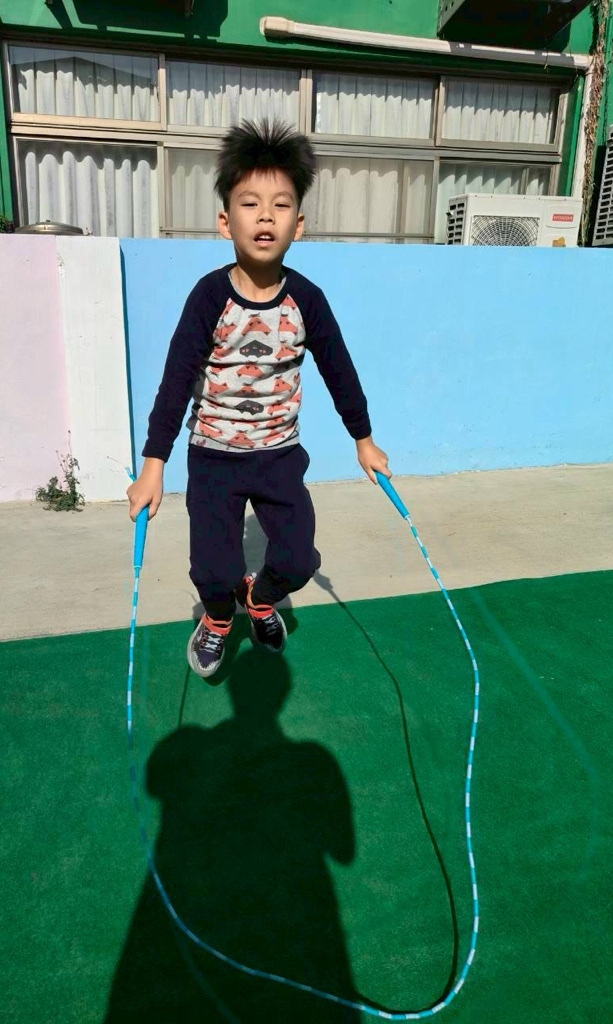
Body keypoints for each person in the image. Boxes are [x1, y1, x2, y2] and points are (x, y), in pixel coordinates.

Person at [127, 119, 391, 678]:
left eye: (280, 205)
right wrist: (153, 465)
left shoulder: (307, 301)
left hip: (278, 456)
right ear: (226, 220)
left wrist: (364, 440)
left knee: (297, 559)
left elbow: (340, 371)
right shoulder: (209, 297)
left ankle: (261, 600)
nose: (265, 216)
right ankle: (218, 617)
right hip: (213, 457)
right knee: (214, 573)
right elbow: (175, 381)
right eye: (250, 203)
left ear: (300, 222)